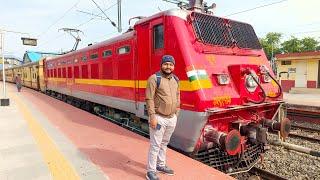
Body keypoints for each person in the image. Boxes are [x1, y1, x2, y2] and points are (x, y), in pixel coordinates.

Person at [145, 55, 180, 180]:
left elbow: (177, 95)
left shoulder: (175, 79)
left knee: (164, 143)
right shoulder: (154, 79)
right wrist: (152, 116)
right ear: (161, 65)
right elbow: (149, 98)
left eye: (170, 64)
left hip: (171, 118)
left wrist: (177, 112)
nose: (168, 66)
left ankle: (160, 165)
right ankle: (150, 171)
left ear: (173, 66)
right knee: (155, 145)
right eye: (166, 64)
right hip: (159, 117)